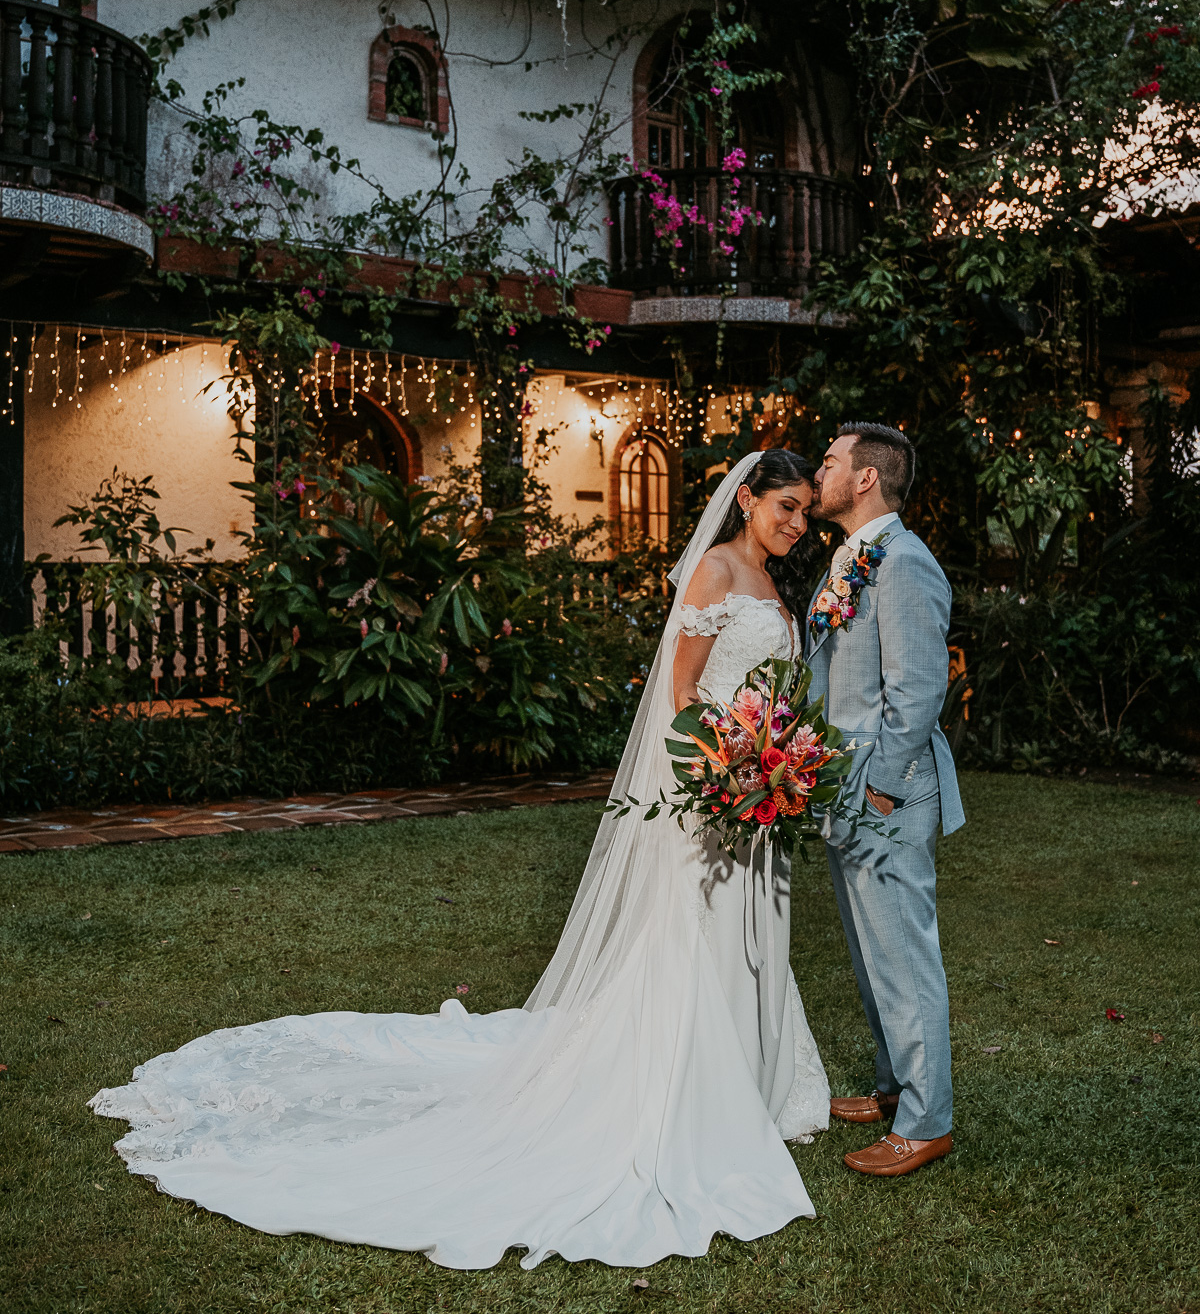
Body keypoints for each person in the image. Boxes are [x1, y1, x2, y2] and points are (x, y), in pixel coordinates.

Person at [90, 451, 831, 1270]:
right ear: (748, 500)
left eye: (803, 514)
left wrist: (777, 758)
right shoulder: (718, 570)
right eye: (784, 507)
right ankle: (690, 1093)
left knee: (751, 926)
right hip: (715, 781)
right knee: (699, 934)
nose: (795, 526)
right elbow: (682, 690)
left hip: (761, 785)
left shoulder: (779, 584)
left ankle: (753, 1080)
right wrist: (723, 763)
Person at [806, 421, 965, 1178]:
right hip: (847, 782)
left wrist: (879, 789)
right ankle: (892, 1088)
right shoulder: (853, 558)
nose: (819, 471)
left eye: (830, 462)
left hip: (887, 791)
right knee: (874, 956)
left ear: (866, 478)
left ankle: (927, 1121)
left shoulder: (903, 562)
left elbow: (919, 690)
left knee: (903, 950)